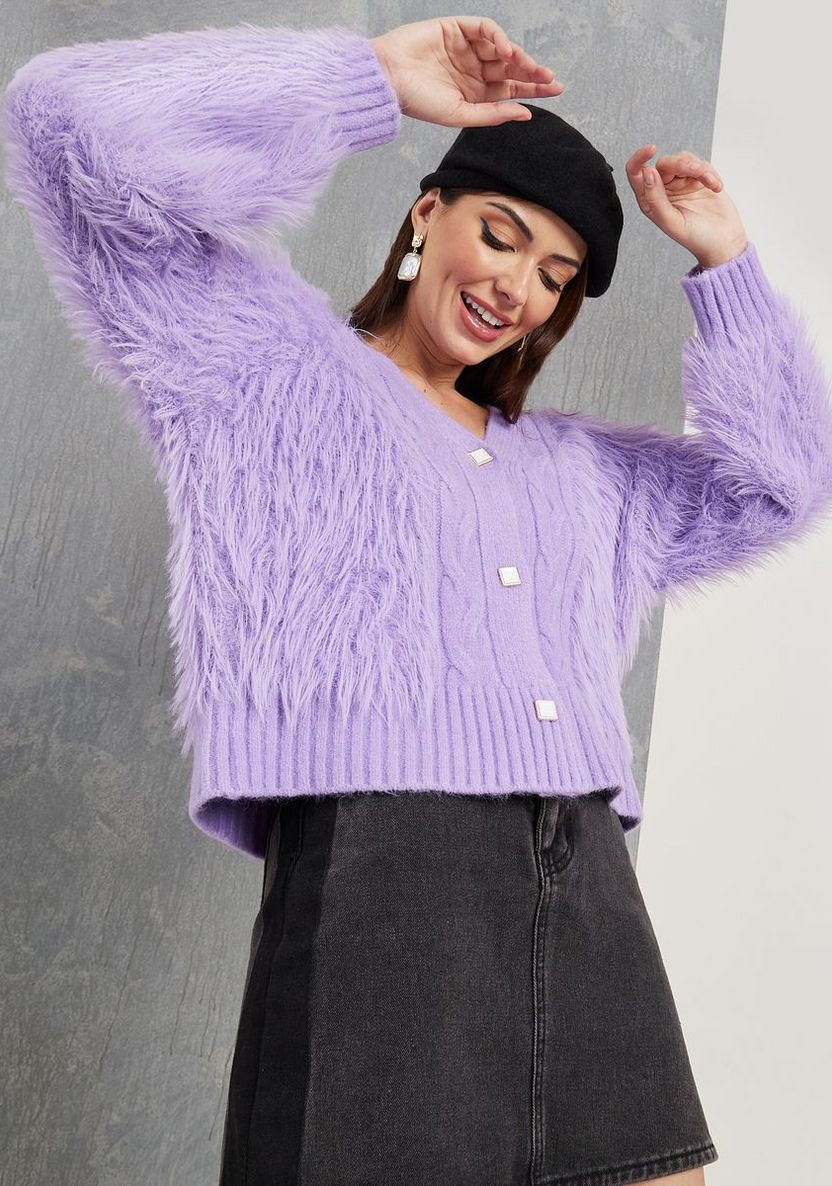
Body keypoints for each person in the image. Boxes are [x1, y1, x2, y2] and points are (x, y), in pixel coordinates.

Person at [4, 14, 832, 1186]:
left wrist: (727, 266)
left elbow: (783, 483)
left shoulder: (585, 473)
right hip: (388, 875)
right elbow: (64, 124)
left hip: (585, 878)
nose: (514, 288)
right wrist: (367, 79)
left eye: (554, 278)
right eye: (500, 235)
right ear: (426, 213)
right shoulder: (264, 374)